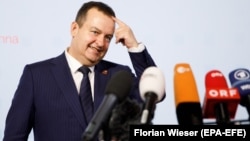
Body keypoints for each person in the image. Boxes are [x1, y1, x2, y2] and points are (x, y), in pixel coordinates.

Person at [3, 1, 161, 141]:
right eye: (95, 32)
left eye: (108, 37)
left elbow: (153, 91)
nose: (101, 43)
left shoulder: (119, 76)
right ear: (74, 29)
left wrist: (134, 47)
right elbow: (14, 136)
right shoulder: (36, 75)